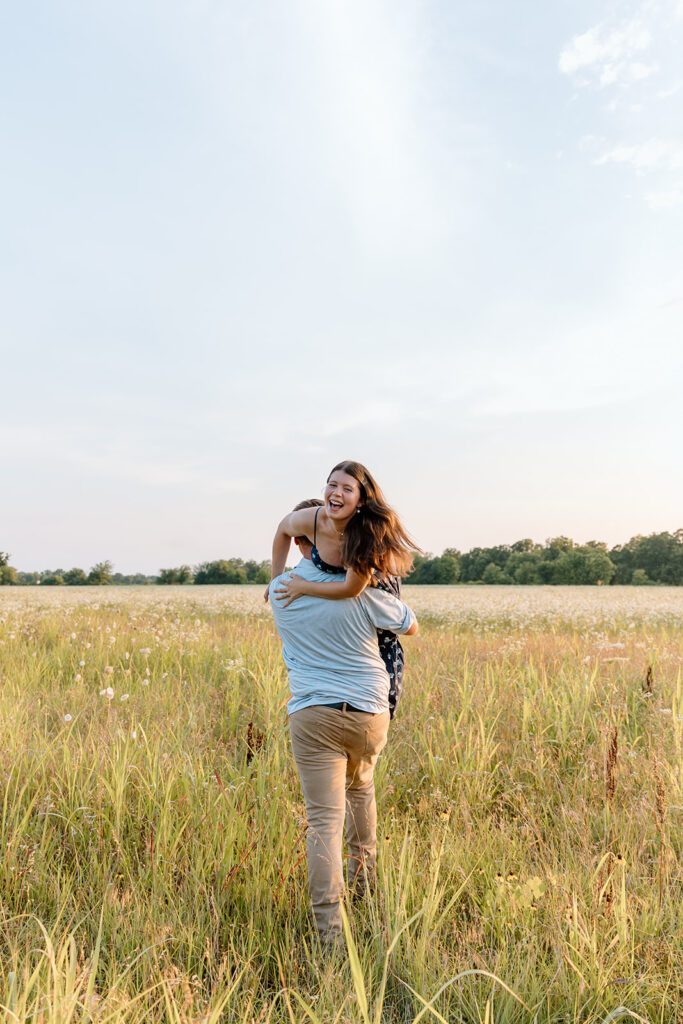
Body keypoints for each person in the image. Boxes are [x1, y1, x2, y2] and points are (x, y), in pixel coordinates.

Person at [269, 503, 418, 949]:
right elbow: (410, 624)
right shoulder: (364, 589)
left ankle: (331, 939)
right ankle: (367, 896)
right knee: (361, 790)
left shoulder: (279, 591)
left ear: (300, 544)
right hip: (370, 712)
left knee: (323, 823)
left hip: (314, 714)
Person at [266, 461, 420, 718]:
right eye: (332, 484)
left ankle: (378, 714)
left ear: (360, 500)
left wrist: (304, 586)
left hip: (370, 581)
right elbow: (282, 530)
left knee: (384, 652)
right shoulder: (313, 519)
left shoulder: (364, 535)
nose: (336, 493)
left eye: (347, 489)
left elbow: (351, 589)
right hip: (341, 578)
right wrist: (274, 580)